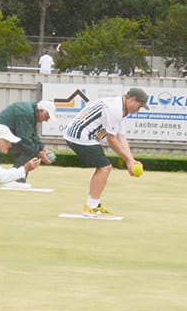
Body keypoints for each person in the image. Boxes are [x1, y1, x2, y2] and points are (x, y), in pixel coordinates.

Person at [62, 87, 148, 217]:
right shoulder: (115, 109)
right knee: (105, 168)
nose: (138, 110)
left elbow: (121, 137)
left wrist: (131, 160)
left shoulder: (121, 109)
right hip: (79, 136)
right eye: (139, 106)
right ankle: (90, 207)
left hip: (84, 135)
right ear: (132, 100)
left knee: (104, 167)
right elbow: (111, 139)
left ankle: (94, 205)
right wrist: (128, 160)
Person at [0, 98, 55, 189]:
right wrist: (39, 153)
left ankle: (15, 180)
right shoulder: (26, 113)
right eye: (47, 116)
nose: (47, 120)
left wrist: (42, 149)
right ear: (40, 110)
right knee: (28, 150)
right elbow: (25, 139)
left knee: (29, 150)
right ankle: (15, 181)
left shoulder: (31, 113)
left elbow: (32, 135)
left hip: (6, 133)